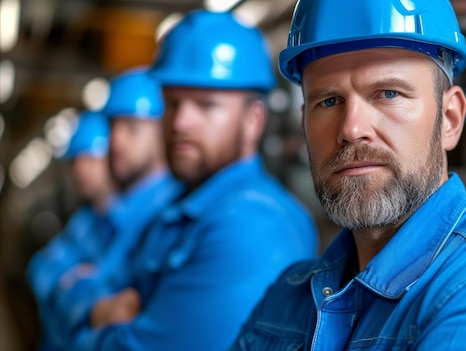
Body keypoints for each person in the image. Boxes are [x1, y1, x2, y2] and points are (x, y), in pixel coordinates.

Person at [230, 1, 466, 350]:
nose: (352, 128)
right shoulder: (288, 298)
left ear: (450, 120)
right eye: (328, 101)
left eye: (388, 93)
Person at [67, 10, 319, 351]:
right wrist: (96, 309)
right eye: (172, 104)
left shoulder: (254, 226)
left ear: (253, 120)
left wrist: (85, 322)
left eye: (206, 105)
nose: (181, 122)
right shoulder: (174, 210)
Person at [31, 67, 184, 351]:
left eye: (132, 128)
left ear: (165, 129)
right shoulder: (99, 215)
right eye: (113, 127)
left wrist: (71, 289)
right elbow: (42, 267)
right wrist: (94, 306)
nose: (117, 142)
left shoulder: (172, 215)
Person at [27, 110, 116, 351]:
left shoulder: (125, 222)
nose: (81, 170)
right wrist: (85, 294)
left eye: (91, 159)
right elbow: (39, 269)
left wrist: (67, 284)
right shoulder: (83, 221)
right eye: (76, 160)